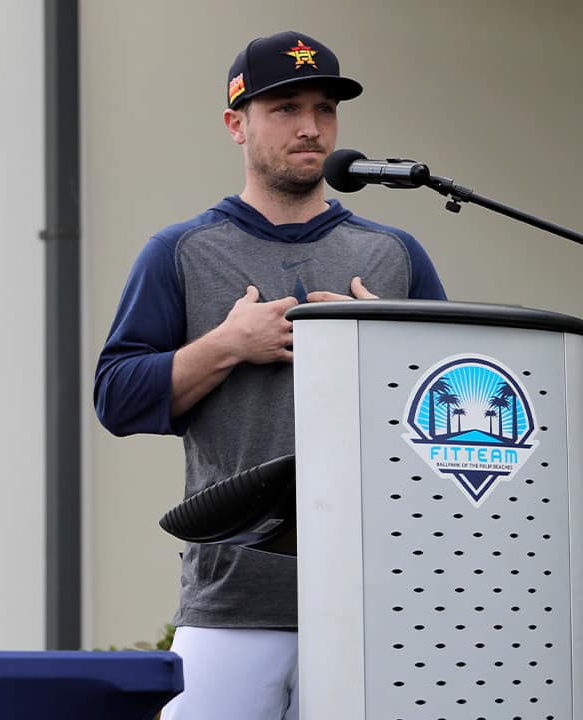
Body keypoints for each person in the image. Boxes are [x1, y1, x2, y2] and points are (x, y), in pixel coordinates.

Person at [93, 31, 445, 719]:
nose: (310, 127)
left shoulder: (394, 255)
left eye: (324, 109)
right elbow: (116, 397)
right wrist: (227, 344)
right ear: (236, 123)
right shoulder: (180, 252)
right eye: (284, 108)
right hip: (232, 604)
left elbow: (447, 415)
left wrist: (390, 347)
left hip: (375, 604)